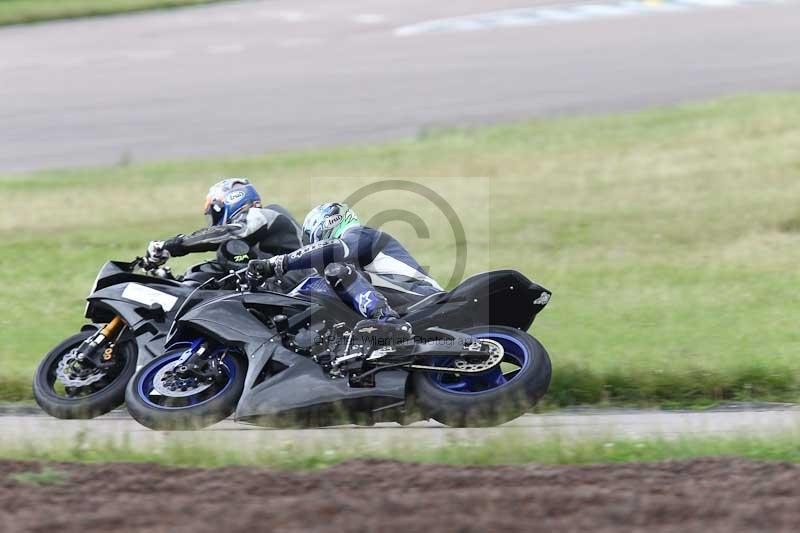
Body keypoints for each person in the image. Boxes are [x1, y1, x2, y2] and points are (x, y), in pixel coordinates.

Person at [247, 202, 444, 345]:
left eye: (310, 239)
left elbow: (334, 249)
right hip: (404, 304)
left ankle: (387, 321)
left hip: (422, 296)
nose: (310, 245)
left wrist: (277, 263)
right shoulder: (354, 274)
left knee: (335, 272)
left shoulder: (361, 234)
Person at [144, 178, 305, 284]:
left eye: (215, 214)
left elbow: (226, 233)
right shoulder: (257, 239)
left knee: (229, 249)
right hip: (286, 283)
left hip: (295, 283)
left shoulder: (265, 214)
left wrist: (173, 245)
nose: (214, 223)